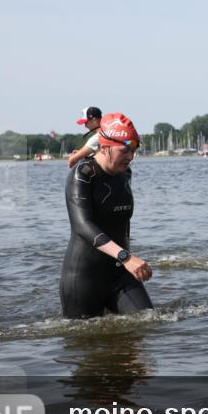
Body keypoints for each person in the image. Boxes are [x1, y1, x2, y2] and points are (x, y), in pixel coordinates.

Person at [60, 113, 153, 319]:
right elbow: (82, 226)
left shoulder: (124, 173)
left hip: (121, 273)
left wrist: (128, 258)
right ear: (105, 147)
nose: (131, 156)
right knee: (87, 345)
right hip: (84, 279)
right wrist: (125, 256)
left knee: (149, 323)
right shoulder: (82, 174)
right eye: (125, 150)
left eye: (134, 150)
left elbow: (122, 222)